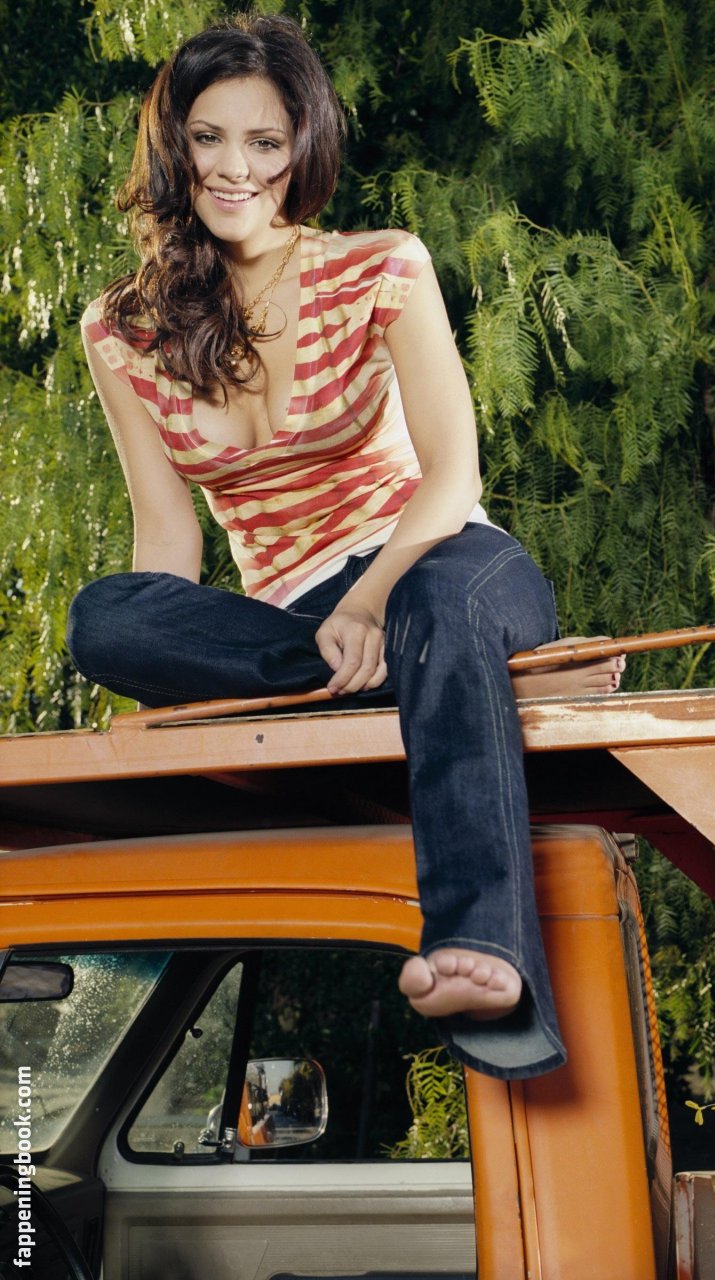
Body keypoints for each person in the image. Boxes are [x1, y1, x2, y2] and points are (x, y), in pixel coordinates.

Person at [66, 14, 624, 1080]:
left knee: (435, 612)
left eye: (264, 143)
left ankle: (483, 948)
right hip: (295, 622)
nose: (234, 168)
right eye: (208, 138)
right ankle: (467, 676)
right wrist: (163, 679)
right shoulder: (121, 330)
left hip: (438, 558)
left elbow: (452, 476)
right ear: (173, 147)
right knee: (103, 617)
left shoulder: (380, 267)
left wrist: (370, 602)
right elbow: (166, 534)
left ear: (302, 149)